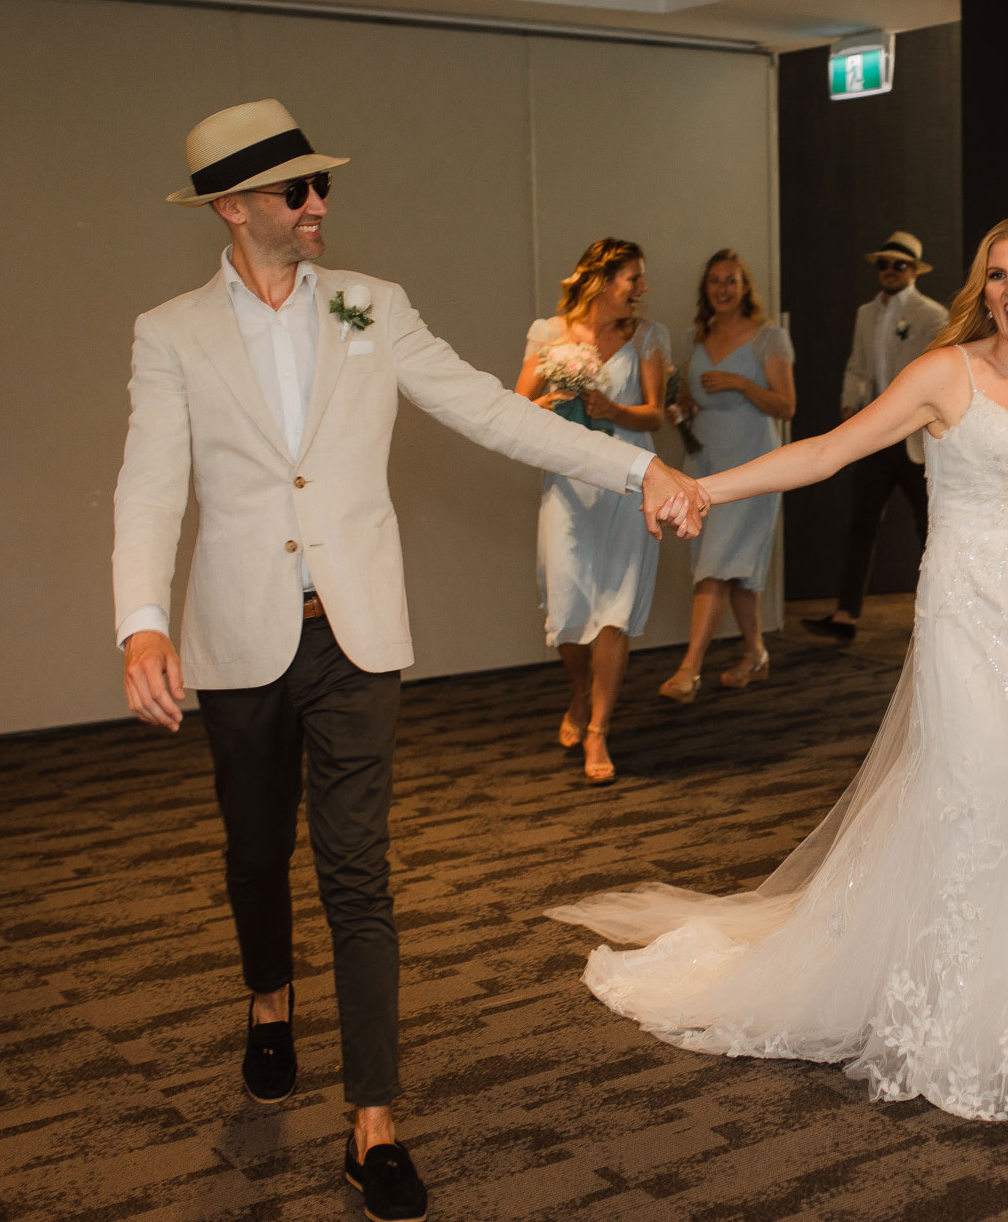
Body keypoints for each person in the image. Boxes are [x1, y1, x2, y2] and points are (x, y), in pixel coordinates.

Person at [560, 217, 1008, 1127]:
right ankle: (976, 1016)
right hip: (968, 620)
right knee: (981, 805)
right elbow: (827, 451)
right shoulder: (945, 374)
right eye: (997, 276)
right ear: (982, 291)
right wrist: (705, 489)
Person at [112, 100, 703, 1221]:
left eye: (320, 185)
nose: (319, 202)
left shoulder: (370, 306)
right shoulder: (170, 331)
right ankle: (269, 997)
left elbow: (492, 411)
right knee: (253, 852)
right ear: (235, 209)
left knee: (359, 875)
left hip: (356, 638)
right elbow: (150, 484)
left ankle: (373, 1123)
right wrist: (141, 616)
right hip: (239, 639)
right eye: (297, 190)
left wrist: (634, 472)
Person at [516, 239, 669, 785]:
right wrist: (551, 405)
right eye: (634, 279)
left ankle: (599, 728)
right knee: (569, 603)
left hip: (628, 485)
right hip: (569, 486)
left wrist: (614, 410)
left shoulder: (649, 336)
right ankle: (580, 690)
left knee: (615, 608)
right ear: (605, 281)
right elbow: (517, 407)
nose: (642, 289)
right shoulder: (548, 334)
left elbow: (654, 415)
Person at [657, 249, 796, 703]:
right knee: (730, 566)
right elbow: (690, 401)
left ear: (744, 288)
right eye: (714, 281)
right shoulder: (694, 336)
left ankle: (688, 670)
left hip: (753, 463)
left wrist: (741, 383)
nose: (722, 289)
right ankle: (755, 653)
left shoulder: (768, 338)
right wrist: (681, 411)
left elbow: (786, 406)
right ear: (706, 290)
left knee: (715, 564)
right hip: (705, 464)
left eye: (730, 281)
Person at [800, 230, 948, 644]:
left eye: (898, 264)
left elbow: (940, 375)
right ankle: (846, 615)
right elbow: (857, 365)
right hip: (874, 434)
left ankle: (936, 618)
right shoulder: (866, 312)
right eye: (883, 264)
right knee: (861, 523)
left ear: (915, 271)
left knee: (931, 528)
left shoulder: (933, 315)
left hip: (917, 438)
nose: (889, 271)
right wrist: (850, 406)